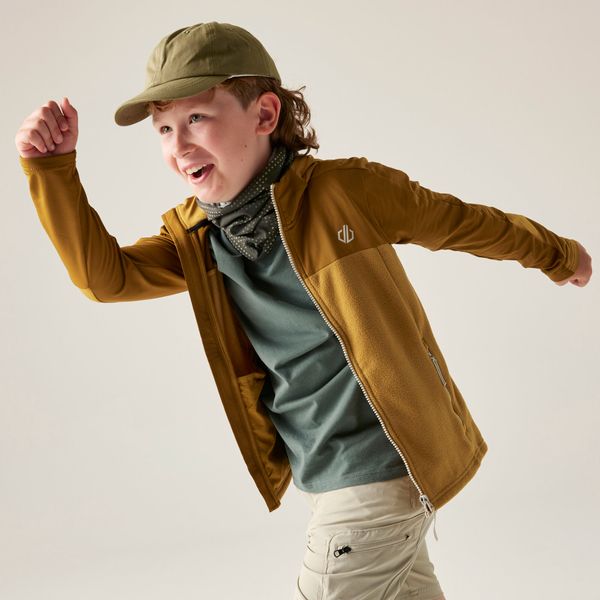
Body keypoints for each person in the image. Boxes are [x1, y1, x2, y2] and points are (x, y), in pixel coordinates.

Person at [15, 21, 592, 600]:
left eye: (197, 118)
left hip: (381, 469)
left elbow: (459, 221)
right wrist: (52, 170)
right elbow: (107, 279)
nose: (178, 146)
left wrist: (555, 253)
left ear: (265, 115)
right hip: (324, 478)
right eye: (164, 128)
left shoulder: (345, 193)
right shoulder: (198, 241)